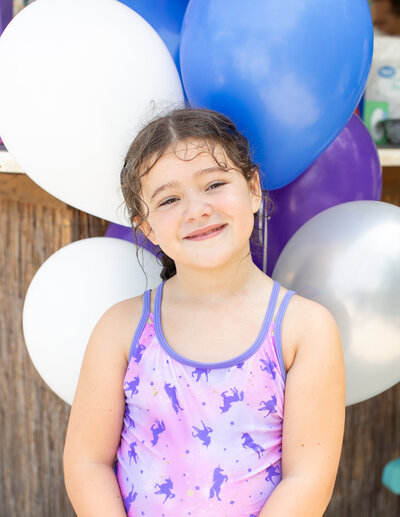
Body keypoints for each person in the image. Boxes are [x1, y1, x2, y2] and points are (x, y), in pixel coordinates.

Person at [63, 108, 346, 517]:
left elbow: (308, 479)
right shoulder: (121, 330)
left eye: (214, 184)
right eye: (170, 199)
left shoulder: (304, 329)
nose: (197, 209)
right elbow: (87, 462)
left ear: (252, 188)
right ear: (146, 227)